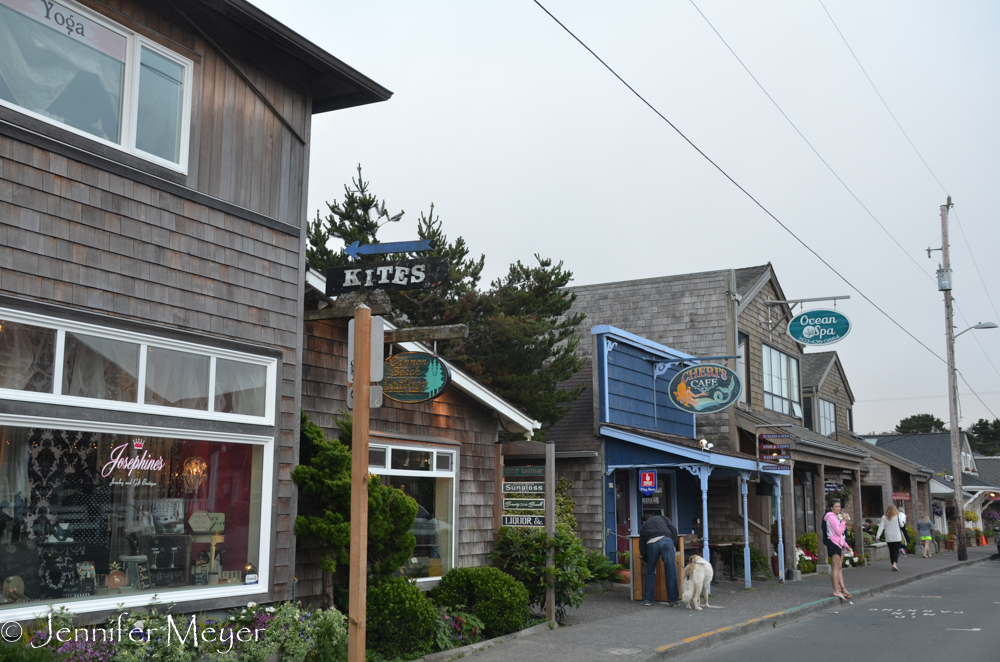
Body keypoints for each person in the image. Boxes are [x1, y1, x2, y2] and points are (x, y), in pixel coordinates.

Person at [639, 511, 679, 606]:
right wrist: (674, 543)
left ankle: (648, 600)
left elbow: (642, 546)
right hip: (666, 540)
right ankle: (673, 600)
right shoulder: (663, 518)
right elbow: (673, 529)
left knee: (650, 571)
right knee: (670, 570)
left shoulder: (645, 526)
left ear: (644, 521)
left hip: (651, 543)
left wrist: (646, 560)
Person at [823, 499, 852, 600]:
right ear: (831, 508)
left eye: (839, 506)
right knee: (835, 567)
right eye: (836, 506)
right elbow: (838, 531)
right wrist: (844, 521)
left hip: (838, 543)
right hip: (833, 543)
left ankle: (839, 590)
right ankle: (836, 591)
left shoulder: (835, 517)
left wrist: (845, 545)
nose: (838, 508)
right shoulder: (831, 517)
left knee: (838, 567)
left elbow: (840, 536)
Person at [876, 505, 905, 571]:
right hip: (897, 536)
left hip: (889, 537)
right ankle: (895, 563)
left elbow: (881, 527)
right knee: (896, 551)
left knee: (891, 550)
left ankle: (892, 562)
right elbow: (902, 525)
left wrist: (878, 536)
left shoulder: (884, 517)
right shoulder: (897, 516)